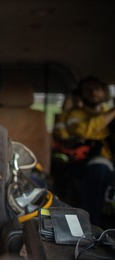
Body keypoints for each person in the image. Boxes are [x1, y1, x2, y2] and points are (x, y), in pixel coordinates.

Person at [63, 76, 115, 226]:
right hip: (83, 163)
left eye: (97, 88)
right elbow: (85, 131)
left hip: (107, 162)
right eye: (88, 89)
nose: (93, 92)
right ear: (81, 94)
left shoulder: (108, 113)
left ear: (104, 92)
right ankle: (92, 225)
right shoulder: (75, 114)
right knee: (99, 169)